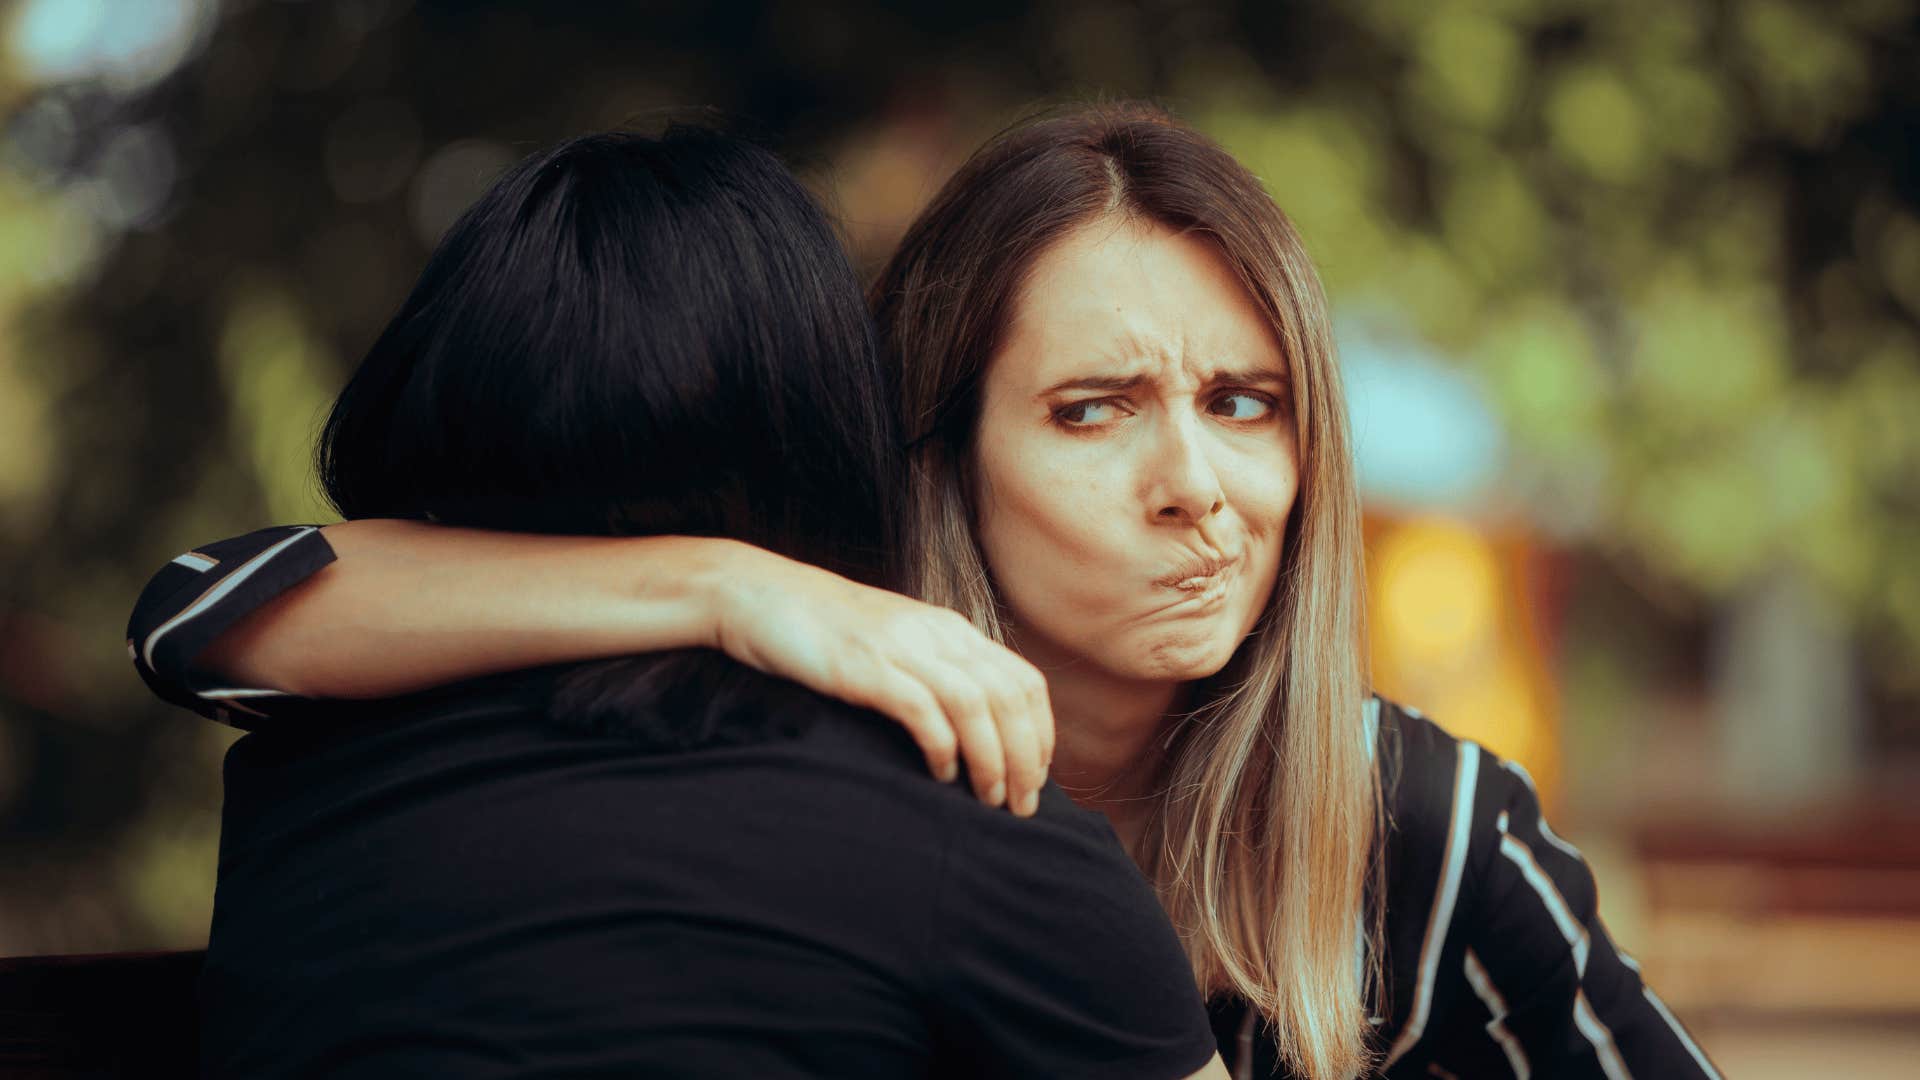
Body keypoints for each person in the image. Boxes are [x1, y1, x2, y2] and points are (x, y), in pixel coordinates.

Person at [130, 105, 1721, 1080]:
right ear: (937, 452)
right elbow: (205, 617)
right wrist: (727, 586)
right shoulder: (798, 741)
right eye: (1094, 409)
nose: (1199, 485)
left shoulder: (1416, 827)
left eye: (1248, 402)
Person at [134, 125, 1230, 1079]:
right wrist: (723, 581)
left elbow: (189, 615)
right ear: (831, 432)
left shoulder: (305, 776)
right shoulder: (987, 830)